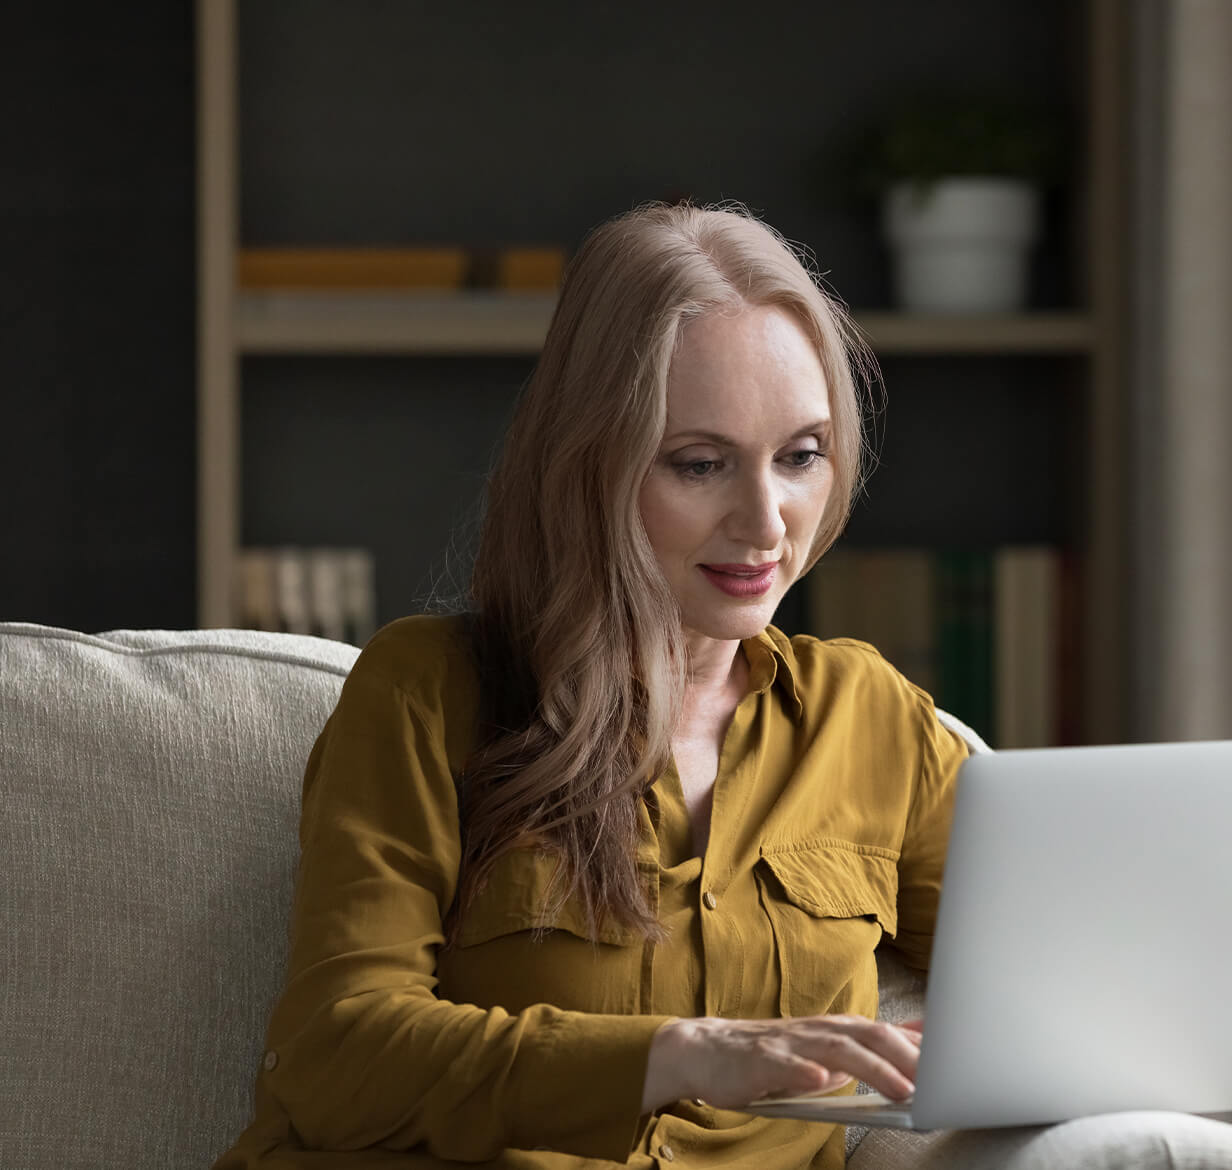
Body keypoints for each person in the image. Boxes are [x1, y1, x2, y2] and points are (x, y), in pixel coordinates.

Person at [215, 201, 971, 1170]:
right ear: (589, 465)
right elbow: (334, 1056)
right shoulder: (427, 695)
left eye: (800, 457)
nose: (767, 522)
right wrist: (679, 1055)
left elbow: (1063, 1011)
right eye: (700, 464)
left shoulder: (870, 722)